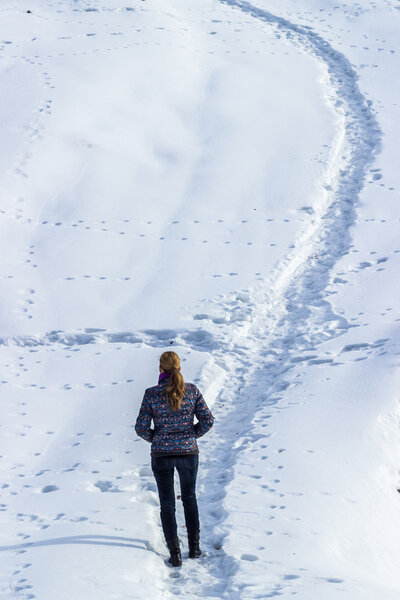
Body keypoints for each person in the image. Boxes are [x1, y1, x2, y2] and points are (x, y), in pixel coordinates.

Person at [135, 350, 215, 567]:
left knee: (167, 505)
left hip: (161, 455)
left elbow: (141, 427)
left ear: (160, 369)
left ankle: (175, 553)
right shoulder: (191, 391)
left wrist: (158, 439)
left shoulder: (151, 394)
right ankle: (195, 548)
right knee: (189, 498)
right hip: (188, 453)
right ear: (179, 368)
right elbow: (207, 420)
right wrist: (190, 436)